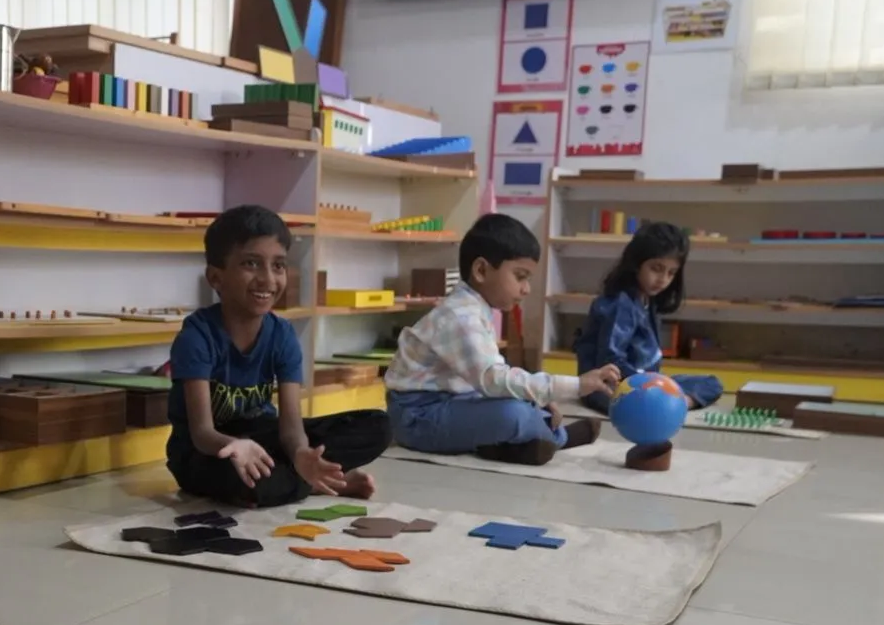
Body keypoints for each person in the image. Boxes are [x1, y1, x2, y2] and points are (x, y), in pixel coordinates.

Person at [166, 205, 391, 507]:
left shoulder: (282, 335)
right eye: (251, 263)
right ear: (216, 278)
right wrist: (235, 445)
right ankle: (311, 484)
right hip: (207, 453)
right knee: (246, 482)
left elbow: (290, 428)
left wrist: (300, 454)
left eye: (279, 265)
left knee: (378, 425)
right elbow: (202, 432)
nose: (268, 279)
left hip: (263, 440)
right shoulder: (197, 336)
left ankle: (301, 476)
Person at [386, 213, 621, 466]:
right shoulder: (460, 316)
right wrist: (575, 386)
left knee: (525, 402)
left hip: (453, 400)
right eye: (520, 276)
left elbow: (496, 374)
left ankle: (512, 445)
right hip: (417, 417)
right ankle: (557, 438)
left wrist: (537, 398)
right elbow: (494, 380)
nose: (526, 289)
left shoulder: (476, 308)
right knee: (514, 415)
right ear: (481, 270)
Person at [574, 222, 723, 413]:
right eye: (656, 268)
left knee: (712, 384)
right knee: (639, 404)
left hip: (646, 383)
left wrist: (657, 383)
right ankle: (668, 403)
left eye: (671, 273)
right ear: (637, 264)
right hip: (610, 386)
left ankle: (679, 402)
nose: (663, 279)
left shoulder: (647, 300)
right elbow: (610, 363)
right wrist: (651, 384)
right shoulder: (621, 303)